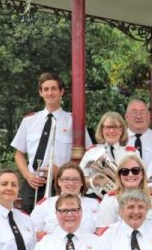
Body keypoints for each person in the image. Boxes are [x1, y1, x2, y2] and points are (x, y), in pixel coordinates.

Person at [11, 72, 91, 213]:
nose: (50, 93)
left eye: (54, 88)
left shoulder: (74, 121)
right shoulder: (29, 121)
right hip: (33, 184)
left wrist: (61, 172)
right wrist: (27, 175)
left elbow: (88, 155)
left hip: (61, 184)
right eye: (46, 89)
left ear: (61, 92)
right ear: (41, 93)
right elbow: (18, 154)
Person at [96, 153, 152, 229]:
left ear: (142, 174)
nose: (130, 174)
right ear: (119, 176)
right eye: (125, 171)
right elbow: (102, 235)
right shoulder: (110, 201)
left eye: (135, 170)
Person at [31, 162, 99, 238]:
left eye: (75, 179)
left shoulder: (95, 205)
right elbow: (34, 234)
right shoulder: (44, 206)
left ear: (82, 182)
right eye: (66, 179)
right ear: (59, 182)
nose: (71, 183)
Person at [79, 112, 131, 197]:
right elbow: (79, 178)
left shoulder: (131, 153)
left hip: (125, 198)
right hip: (95, 199)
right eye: (107, 127)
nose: (111, 131)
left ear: (122, 130)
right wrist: (95, 181)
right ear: (102, 130)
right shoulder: (91, 152)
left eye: (115, 127)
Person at [125, 99, 152, 169]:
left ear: (149, 116)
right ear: (126, 117)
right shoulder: (118, 139)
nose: (138, 116)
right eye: (134, 112)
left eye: (142, 112)